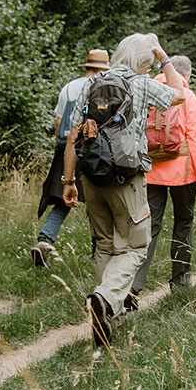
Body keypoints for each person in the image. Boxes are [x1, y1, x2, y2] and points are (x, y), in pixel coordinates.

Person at [61, 33, 184, 345]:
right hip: (126, 177)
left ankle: (106, 316)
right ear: (144, 62)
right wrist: (164, 58)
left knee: (104, 244)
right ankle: (104, 299)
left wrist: (68, 180)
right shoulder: (140, 83)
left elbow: (73, 135)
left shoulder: (92, 84)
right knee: (136, 247)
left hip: (91, 175)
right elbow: (180, 94)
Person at [132, 55, 196, 297]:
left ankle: (135, 283)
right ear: (185, 76)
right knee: (183, 222)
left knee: (150, 226)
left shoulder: (148, 91)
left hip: (152, 169)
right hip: (183, 173)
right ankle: (179, 281)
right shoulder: (186, 96)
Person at [31, 49, 110, 267]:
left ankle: (45, 240)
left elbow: (59, 124)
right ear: (103, 69)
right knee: (97, 202)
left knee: (62, 200)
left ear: (87, 67)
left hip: (66, 149)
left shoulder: (68, 87)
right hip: (92, 150)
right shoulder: (101, 88)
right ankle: (99, 250)